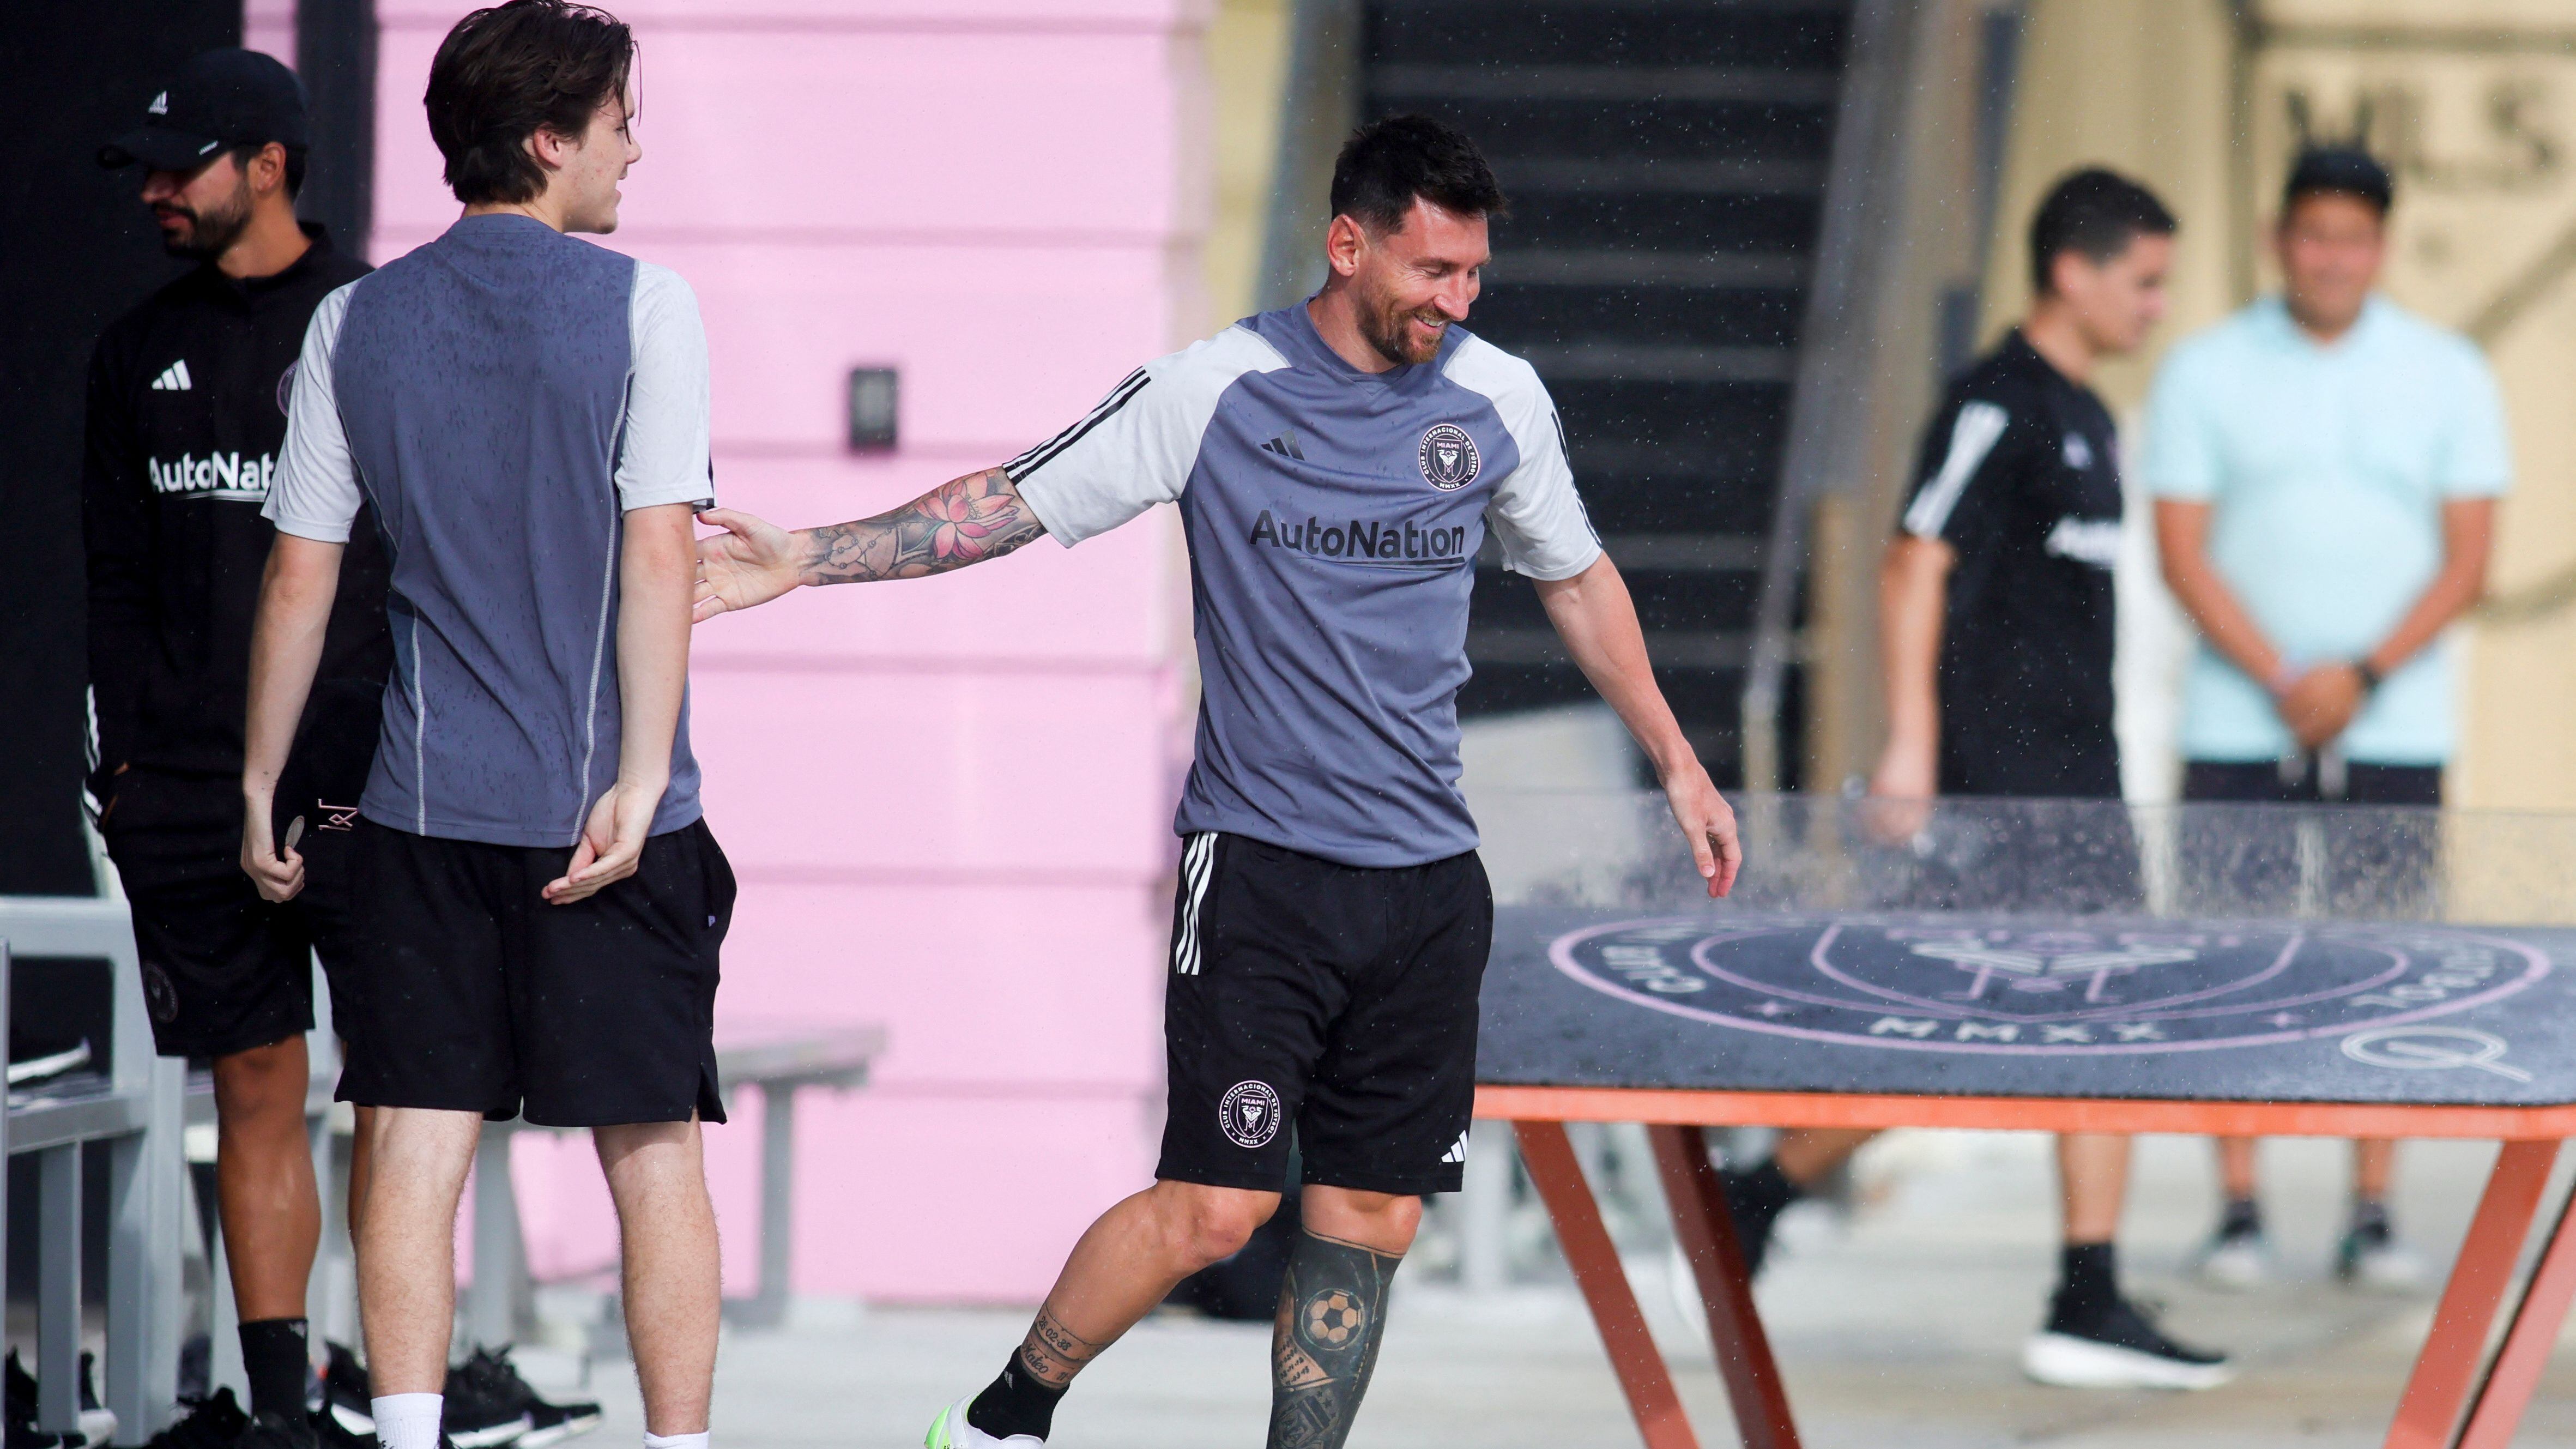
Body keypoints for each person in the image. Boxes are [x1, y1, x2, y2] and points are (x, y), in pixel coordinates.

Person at [693, 114, 1743, 1449]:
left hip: (1428, 887)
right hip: (1258, 870)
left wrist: (1678, 760)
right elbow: (1005, 502)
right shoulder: (1215, 387)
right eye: (1432, 272)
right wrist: (810, 558)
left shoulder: (1499, 401)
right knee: (1214, 1208)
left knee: (1370, 1217)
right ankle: (1005, 1416)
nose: (1456, 301)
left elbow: (1576, 582)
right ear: (1347, 244)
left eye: (1474, 274)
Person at [240, 8, 721, 1449]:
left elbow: (300, 573)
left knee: (410, 1135)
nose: (636, 144)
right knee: (652, 1156)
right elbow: (659, 555)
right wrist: (639, 780)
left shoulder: (352, 320)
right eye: (620, 118)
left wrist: (262, 780)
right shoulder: (647, 306)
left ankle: (401, 1436)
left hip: (420, 813)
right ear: (546, 139)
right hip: (608, 824)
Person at [1721, 169, 2232, 1392]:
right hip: (1992, 780)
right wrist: (1909, 747)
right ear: (2074, 271)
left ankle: (2084, 1291)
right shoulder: (1992, 404)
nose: (2157, 305)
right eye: (2144, 280)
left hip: (2080, 780)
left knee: (2098, 1031)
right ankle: (1758, 1191)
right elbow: (1913, 561)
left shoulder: (2088, 416)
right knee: (1948, 1027)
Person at [84, 48, 385, 1449]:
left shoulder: (378, 328)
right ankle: (281, 1415)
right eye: (146, 164)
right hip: (194, 795)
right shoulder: (135, 350)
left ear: (268, 164)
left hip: (374, 791)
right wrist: (136, 772)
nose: (154, 187)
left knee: (400, 1095)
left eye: (181, 161)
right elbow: (115, 585)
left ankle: (407, 1393)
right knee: (256, 1085)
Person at [2146, 146, 2508, 1291]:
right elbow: (2178, 545)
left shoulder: (2446, 372)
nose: (2331, 260)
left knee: (2386, 958)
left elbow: (2469, 558)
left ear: (2379, 248)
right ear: (2276, 237)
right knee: (2230, 957)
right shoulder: (2206, 368)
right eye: (2313, 236)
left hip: (2391, 719)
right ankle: (2240, 1208)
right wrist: (2276, 672)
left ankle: (2371, 1209)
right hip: (2234, 711)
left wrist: (2356, 673)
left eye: (2352, 239)